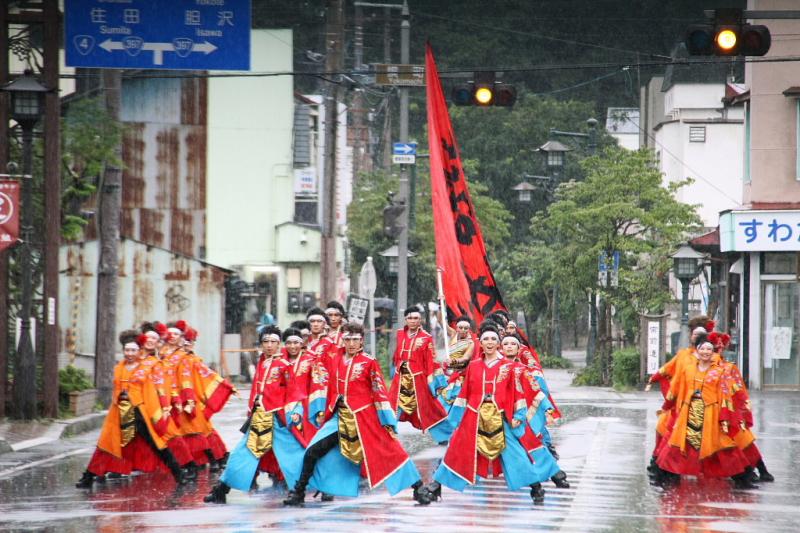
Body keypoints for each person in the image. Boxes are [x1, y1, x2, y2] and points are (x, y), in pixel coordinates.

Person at [283, 323, 432, 506]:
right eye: (347, 339)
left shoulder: (369, 362)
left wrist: (387, 421)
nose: (351, 343)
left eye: (355, 339)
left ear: (362, 340)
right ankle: (299, 491)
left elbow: (379, 391)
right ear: (342, 340)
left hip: (365, 419)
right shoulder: (334, 358)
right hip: (339, 418)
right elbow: (316, 368)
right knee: (312, 451)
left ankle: (418, 488)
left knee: (391, 453)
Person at [431, 323, 547, 504]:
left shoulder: (508, 366)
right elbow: (464, 394)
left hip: (500, 415)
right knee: (456, 449)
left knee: (514, 453)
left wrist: (519, 415)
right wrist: (456, 419)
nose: (490, 342)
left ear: (499, 343)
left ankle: (536, 487)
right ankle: (435, 485)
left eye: (494, 339)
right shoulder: (473, 366)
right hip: (474, 415)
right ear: (481, 343)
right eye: (486, 339)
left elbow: (517, 392)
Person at [205, 326, 306, 504]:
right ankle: (221, 489)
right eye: (266, 342)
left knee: (292, 455)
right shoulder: (262, 362)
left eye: (273, 342)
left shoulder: (284, 365)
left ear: (279, 344)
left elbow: (293, 392)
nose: (269, 345)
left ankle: (298, 492)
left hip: (277, 418)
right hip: (259, 417)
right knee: (240, 454)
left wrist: (295, 412)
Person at [76, 331, 189, 488]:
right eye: (127, 350)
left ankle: (179, 473)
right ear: (123, 351)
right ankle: (88, 477)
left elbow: (160, 388)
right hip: (119, 410)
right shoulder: (119, 367)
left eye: (133, 350)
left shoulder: (149, 366)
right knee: (106, 443)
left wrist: (164, 406)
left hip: (140, 410)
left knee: (156, 444)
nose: (130, 353)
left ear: (139, 350)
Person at [654, 335, 755, 489]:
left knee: (722, 446)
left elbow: (726, 393)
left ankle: (744, 478)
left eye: (709, 349)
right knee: (677, 445)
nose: (706, 352)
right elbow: (676, 388)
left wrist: (726, 415)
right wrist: (669, 404)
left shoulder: (720, 371)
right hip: (689, 413)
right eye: (703, 349)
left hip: (711, 414)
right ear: (697, 351)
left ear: (713, 351)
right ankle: (663, 477)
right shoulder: (687, 369)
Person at [501, 333, 570, 489]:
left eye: (513, 344)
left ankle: (556, 476)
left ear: (519, 349)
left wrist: (547, 408)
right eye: (506, 344)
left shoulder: (523, 369)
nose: (509, 346)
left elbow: (535, 390)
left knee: (532, 445)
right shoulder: (495, 369)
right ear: (501, 348)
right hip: (497, 416)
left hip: (520, 416)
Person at [710, 332, 774, 483]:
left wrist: (741, 409)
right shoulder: (700, 366)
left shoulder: (728, 368)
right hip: (711, 410)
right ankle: (745, 471)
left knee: (743, 441)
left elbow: (739, 390)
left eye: (717, 349)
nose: (715, 352)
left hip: (730, 410)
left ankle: (758, 469)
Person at [388, 306, 453, 443]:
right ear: (405, 319)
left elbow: (431, 360)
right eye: (410, 318)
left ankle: (445, 437)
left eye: (416, 318)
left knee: (430, 409)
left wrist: (435, 381)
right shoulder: (400, 334)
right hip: (401, 380)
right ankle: (386, 436)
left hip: (418, 380)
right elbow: (396, 355)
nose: (413, 321)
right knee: (392, 406)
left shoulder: (426, 338)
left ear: (420, 320)